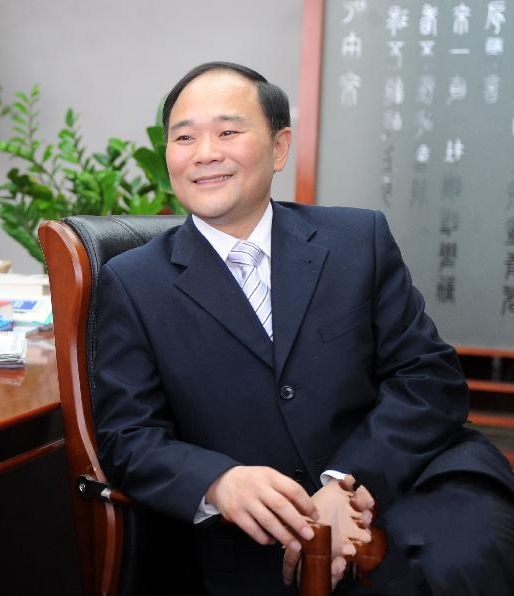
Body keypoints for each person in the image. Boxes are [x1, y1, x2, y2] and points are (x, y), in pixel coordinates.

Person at [92, 61, 514, 594]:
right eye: (184, 137)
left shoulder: (357, 239)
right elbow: (129, 437)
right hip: (261, 537)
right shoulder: (133, 282)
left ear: (279, 147)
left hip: (405, 483)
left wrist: (346, 483)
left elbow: (429, 378)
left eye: (228, 132)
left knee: (460, 561)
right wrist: (219, 482)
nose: (205, 153)